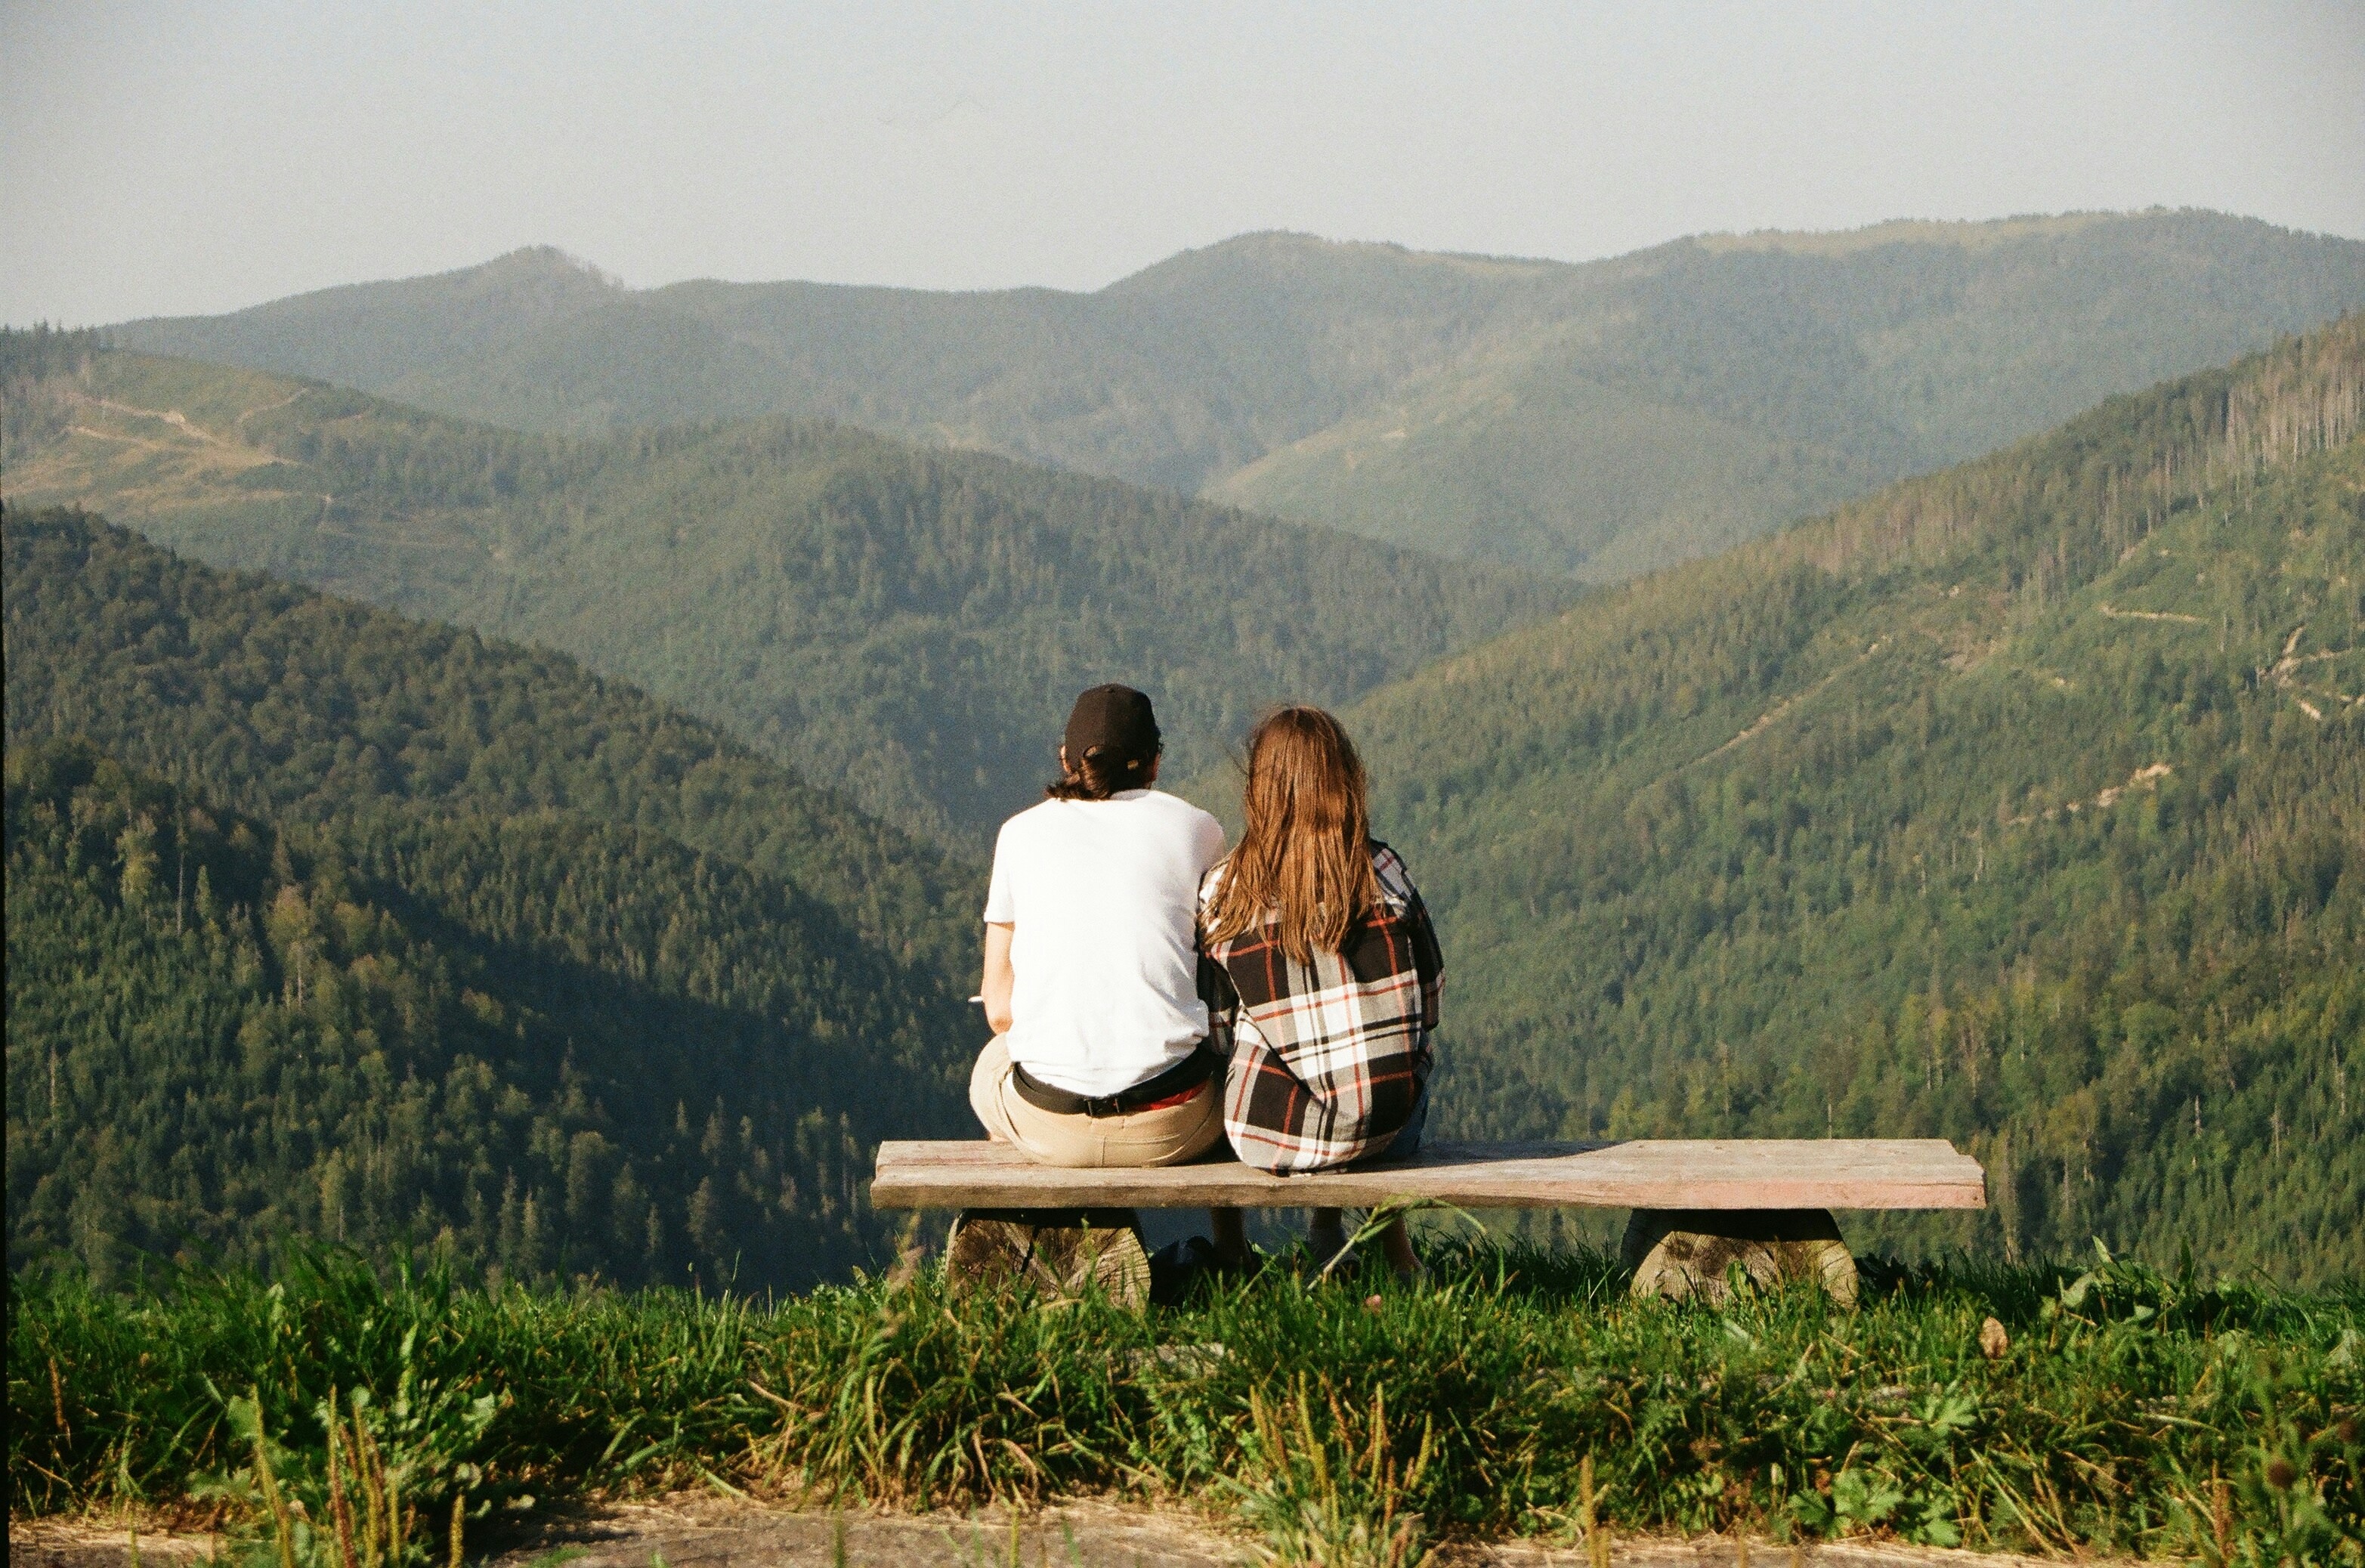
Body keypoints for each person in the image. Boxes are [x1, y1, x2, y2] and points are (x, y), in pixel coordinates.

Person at [1198, 705, 1442, 1280]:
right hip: (1390, 1128)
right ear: (1346, 779)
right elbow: (1430, 1002)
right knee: (1374, 1061)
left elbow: (1215, 1030)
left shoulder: (1225, 892)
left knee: (1250, 1052)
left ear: (1259, 789)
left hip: (1271, 1137)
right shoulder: (1383, 871)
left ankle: (1242, 1252)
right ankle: (1383, 1252)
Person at [971, 683, 1231, 1170]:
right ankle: (1229, 1245)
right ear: (1155, 762)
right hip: (1174, 1124)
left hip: (1052, 1124)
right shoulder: (1198, 829)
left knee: (991, 1062)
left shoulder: (1018, 834)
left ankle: (1029, 1219)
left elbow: (1000, 1012)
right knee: (1221, 1057)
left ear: (1066, 758)